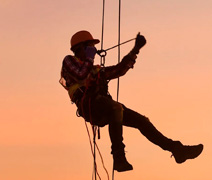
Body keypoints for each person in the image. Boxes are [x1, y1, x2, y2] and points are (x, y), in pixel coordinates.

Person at [59, 30, 203, 172]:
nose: (93, 51)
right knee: (116, 108)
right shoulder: (69, 61)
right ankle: (119, 158)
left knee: (141, 121)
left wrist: (135, 50)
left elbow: (119, 70)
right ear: (80, 48)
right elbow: (80, 74)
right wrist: (90, 58)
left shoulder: (94, 70)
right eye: (90, 47)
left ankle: (177, 149)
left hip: (102, 104)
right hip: (89, 105)